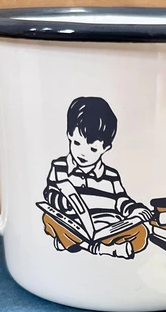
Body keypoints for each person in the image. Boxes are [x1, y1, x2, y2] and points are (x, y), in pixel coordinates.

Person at [42, 96, 152, 259]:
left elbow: (121, 200)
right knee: (48, 218)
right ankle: (101, 249)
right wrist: (65, 203)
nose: (82, 153)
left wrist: (135, 210)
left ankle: (76, 244)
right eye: (77, 143)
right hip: (76, 225)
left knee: (141, 232)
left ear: (106, 148)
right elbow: (49, 193)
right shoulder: (60, 167)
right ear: (69, 136)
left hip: (107, 228)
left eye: (93, 149)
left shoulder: (111, 176)